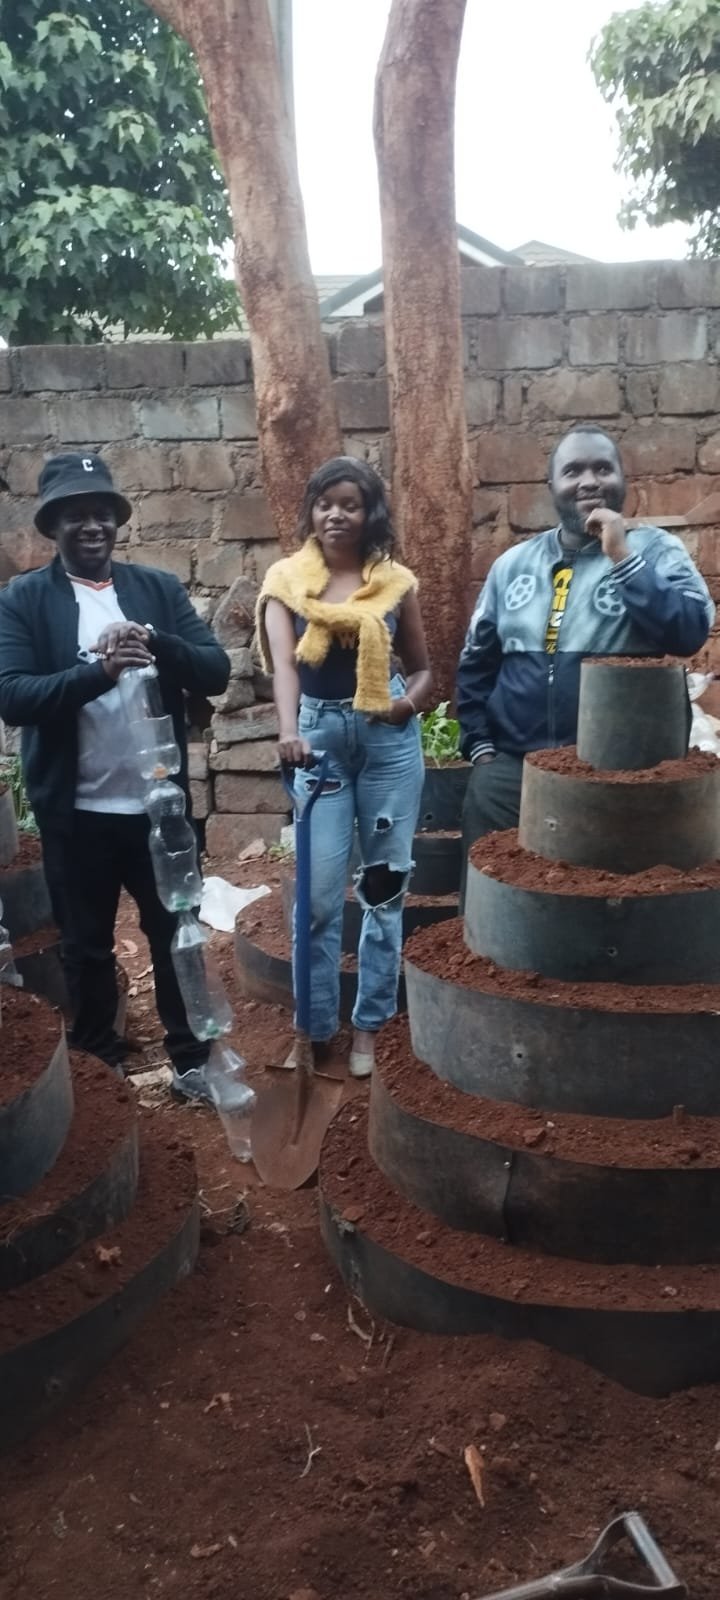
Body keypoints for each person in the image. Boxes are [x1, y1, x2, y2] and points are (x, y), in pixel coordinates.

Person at [0, 452, 230, 1101]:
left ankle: (191, 1060)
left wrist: (154, 641)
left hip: (159, 812)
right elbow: (13, 695)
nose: (92, 525)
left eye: (102, 512)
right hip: (77, 814)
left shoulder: (155, 590)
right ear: (53, 525)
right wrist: (99, 672)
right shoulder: (24, 600)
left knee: (176, 936)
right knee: (86, 947)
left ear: (117, 521)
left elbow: (214, 670)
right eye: (76, 515)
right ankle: (101, 1066)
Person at [457, 425, 714, 878]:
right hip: (513, 775)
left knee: (606, 901)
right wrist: (480, 747)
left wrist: (622, 558)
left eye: (602, 469)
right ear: (552, 485)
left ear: (623, 479)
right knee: (495, 900)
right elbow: (477, 663)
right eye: (573, 471)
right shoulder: (512, 565)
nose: (589, 481)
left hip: (621, 781)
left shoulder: (658, 552)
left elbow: (688, 632)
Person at [257, 456, 432, 1077]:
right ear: (311, 510)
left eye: (350, 504)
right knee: (317, 898)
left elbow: (423, 669)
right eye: (325, 503)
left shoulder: (396, 583)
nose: (336, 514)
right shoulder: (286, 582)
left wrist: (403, 707)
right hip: (319, 742)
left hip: (388, 744)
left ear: (369, 513)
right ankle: (312, 1027)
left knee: (383, 889)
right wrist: (288, 731)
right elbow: (285, 667)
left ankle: (370, 1025)